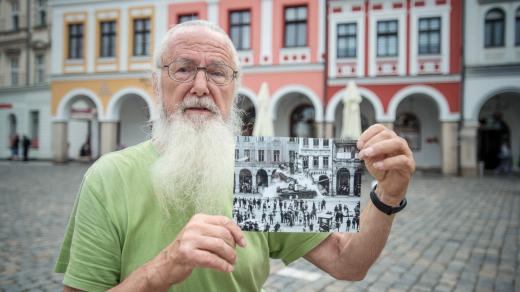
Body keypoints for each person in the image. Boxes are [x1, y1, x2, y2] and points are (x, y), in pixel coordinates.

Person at [55, 20, 415, 291]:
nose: (200, 86)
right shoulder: (107, 176)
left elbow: (347, 263)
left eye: (217, 73)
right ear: (156, 84)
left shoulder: (266, 169)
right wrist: (162, 267)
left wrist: (389, 195)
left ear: (233, 88)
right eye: (182, 69)